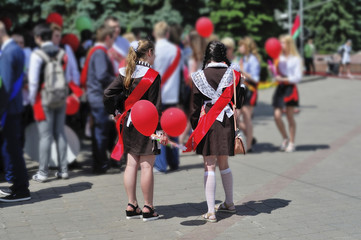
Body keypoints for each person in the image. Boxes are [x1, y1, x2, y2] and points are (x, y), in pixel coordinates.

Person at [104, 39, 167, 221]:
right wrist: (160, 130)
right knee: (147, 165)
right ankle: (148, 207)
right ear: (149, 53)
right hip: (149, 125)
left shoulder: (126, 72)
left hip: (129, 124)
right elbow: (156, 106)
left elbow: (107, 93)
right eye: (153, 53)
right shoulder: (153, 75)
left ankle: (131, 205)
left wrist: (115, 111)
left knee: (131, 164)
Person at [187, 41, 244, 222]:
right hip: (226, 121)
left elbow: (195, 105)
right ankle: (230, 202)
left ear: (208, 56)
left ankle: (211, 211)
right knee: (224, 164)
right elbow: (240, 100)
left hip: (207, 123)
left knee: (209, 165)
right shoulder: (234, 74)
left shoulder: (199, 76)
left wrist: (195, 125)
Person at [28, 23, 69, 182]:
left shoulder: (36, 55)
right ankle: (63, 170)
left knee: (45, 136)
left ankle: (43, 173)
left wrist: (32, 100)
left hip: (44, 98)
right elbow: (70, 76)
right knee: (60, 133)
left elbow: (33, 82)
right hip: (60, 97)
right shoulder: (62, 52)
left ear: (38, 38)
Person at [0, 21, 31, 202]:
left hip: (8, 109)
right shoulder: (16, 49)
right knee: (14, 148)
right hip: (15, 107)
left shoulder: (8, 52)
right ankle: (18, 186)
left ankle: (21, 189)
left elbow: (6, 87)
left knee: (13, 150)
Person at [85, 25, 115, 174]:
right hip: (98, 97)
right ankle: (100, 164)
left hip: (96, 96)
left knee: (101, 130)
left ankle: (100, 163)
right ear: (107, 38)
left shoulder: (97, 52)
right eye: (112, 39)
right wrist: (119, 81)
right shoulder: (100, 53)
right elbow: (102, 75)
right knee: (101, 131)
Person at [153, 21, 182, 173]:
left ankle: (160, 164)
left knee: (158, 130)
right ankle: (174, 161)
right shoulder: (177, 50)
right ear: (168, 34)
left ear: (154, 33)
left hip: (157, 95)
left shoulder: (153, 50)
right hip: (172, 94)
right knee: (173, 128)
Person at [273, 35, 302, 153]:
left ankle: (292, 142)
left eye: (283, 43)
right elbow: (276, 72)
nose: (281, 45)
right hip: (280, 88)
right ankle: (285, 137)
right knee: (277, 116)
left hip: (290, 88)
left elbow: (298, 77)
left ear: (289, 44)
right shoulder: (278, 57)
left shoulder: (296, 59)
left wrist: (285, 79)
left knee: (290, 117)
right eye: (280, 42)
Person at [238, 37, 261, 152]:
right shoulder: (243, 59)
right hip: (241, 89)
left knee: (247, 117)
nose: (239, 48)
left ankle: (250, 145)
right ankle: (250, 137)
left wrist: (242, 72)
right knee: (235, 116)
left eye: (241, 45)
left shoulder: (253, 59)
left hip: (250, 90)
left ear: (246, 47)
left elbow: (255, 78)